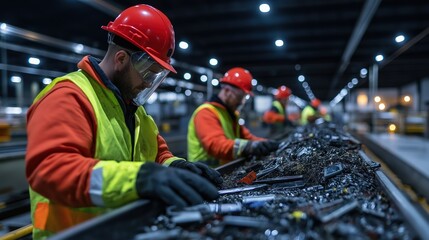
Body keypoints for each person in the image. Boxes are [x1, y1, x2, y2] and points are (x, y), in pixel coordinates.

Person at [25, 5, 222, 239]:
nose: (149, 83)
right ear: (121, 59)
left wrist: (176, 167)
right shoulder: (69, 96)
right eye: (148, 73)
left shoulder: (134, 110)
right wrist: (139, 179)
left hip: (122, 230)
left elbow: (157, 155)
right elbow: (50, 170)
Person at [187, 67, 280, 167]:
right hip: (204, 174)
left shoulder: (230, 114)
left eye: (245, 98)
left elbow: (248, 137)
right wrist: (249, 147)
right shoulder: (206, 113)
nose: (242, 102)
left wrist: (268, 144)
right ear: (227, 91)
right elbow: (216, 145)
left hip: (222, 171)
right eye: (240, 97)